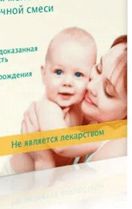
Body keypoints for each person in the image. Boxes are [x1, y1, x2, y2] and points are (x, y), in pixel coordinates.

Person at [21, 35, 127, 168]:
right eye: (98, 69)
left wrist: (43, 160)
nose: (90, 86)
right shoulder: (53, 105)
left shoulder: (117, 150)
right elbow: (62, 145)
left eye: (107, 90)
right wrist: (101, 138)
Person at [10, 27, 98, 173]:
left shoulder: (80, 106)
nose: (67, 82)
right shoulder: (48, 107)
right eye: (58, 72)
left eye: (78, 74)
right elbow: (62, 145)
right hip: (14, 178)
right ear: (44, 74)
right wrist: (102, 140)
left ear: (90, 78)